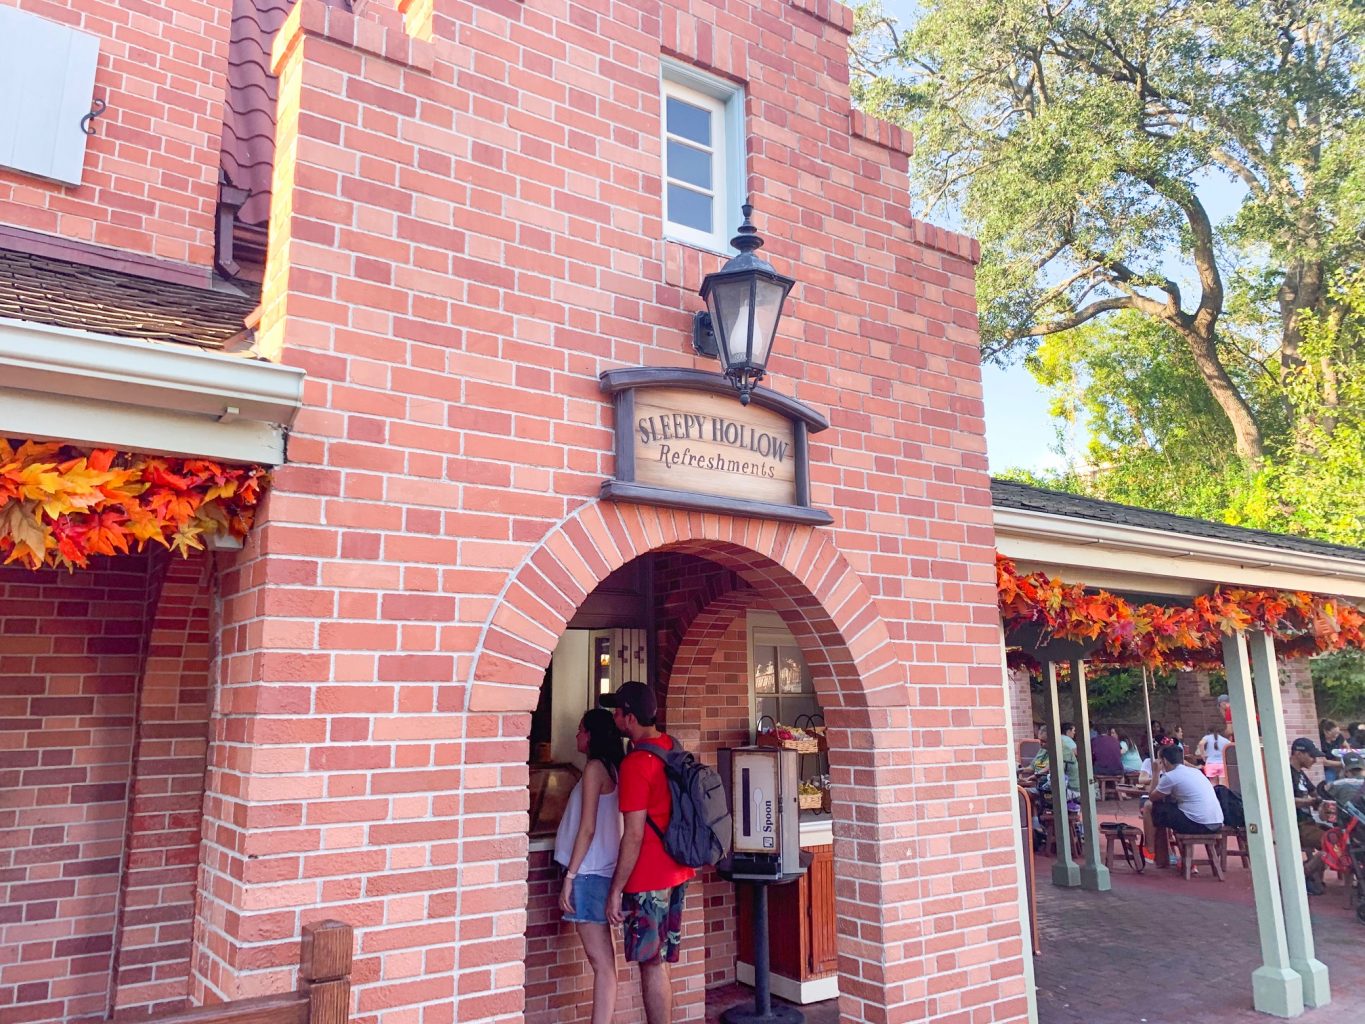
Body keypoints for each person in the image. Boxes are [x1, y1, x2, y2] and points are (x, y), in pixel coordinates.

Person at [602, 681, 695, 1024]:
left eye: (617, 711)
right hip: (678, 870)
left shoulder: (636, 765)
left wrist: (615, 891)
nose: (613, 717)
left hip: (648, 879)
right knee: (658, 960)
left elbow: (633, 835)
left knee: (651, 963)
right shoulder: (671, 746)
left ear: (629, 717)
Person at [554, 709, 625, 1024]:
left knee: (602, 966)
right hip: (604, 872)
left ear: (593, 735)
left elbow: (587, 828)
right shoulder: (614, 768)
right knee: (607, 964)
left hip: (590, 874)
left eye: (581, 730)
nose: (577, 735)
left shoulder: (595, 769)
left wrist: (570, 875)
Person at [1141, 744, 1223, 860]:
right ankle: (1170, 854)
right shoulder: (1195, 772)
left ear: (1164, 761)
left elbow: (1152, 797)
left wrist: (1155, 773)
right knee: (1166, 811)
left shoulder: (1170, 776)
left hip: (1198, 823)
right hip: (1216, 822)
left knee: (1149, 806)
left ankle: (1150, 850)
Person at [1288, 738, 1329, 896]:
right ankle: (1302, 876)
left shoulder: (1302, 774)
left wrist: (1323, 803)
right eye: (1311, 756)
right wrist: (1310, 802)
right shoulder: (1286, 774)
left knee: (1336, 837)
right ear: (1298, 753)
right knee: (1331, 843)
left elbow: (1316, 794)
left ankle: (1313, 878)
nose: (1315, 760)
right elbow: (1284, 800)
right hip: (1297, 825)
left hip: (1309, 823)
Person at [1319, 718, 1347, 783]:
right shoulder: (1320, 741)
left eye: (1338, 733)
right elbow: (1324, 762)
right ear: (1326, 732)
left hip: (1339, 764)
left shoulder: (1339, 737)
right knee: (1330, 778)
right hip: (1327, 767)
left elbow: (1346, 746)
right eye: (1334, 734)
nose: (1336, 736)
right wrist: (1343, 764)